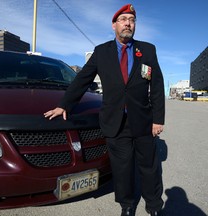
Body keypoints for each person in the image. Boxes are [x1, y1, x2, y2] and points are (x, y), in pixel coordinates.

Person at [44, 4, 165, 216]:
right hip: (114, 121)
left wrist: (158, 119)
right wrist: (64, 104)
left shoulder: (147, 50)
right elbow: (82, 80)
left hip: (143, 121)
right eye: (123, 19)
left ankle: (154, 205)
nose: (128, 23)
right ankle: (127, 205)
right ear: (114, 25)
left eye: (132, 20)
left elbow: (156, 86)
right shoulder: (102, 52)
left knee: (149, 167)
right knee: (123, 168)